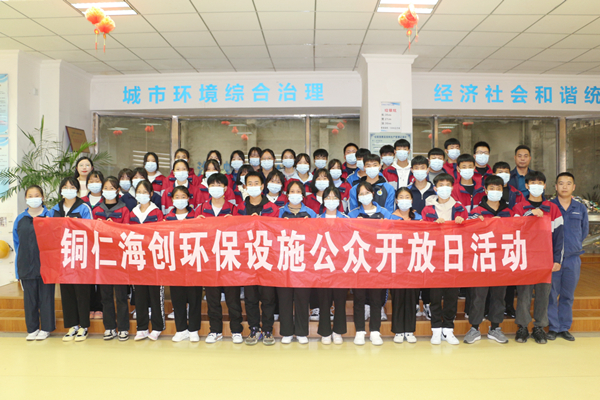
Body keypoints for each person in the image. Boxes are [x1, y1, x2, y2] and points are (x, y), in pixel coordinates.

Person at [512, 171, 563, 344]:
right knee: (524, 294)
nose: (536, 186)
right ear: (526, 186)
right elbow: (513, 231)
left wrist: (557, 260)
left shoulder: (553, 208)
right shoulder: (519, 208)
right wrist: (530, 215)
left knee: (543, 294)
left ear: (545, 186)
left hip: (545, 259)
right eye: (533, 183)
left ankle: (539, 327)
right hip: (525, 258)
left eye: (540, 183)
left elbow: (559, 236)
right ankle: (522, 327)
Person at [463, 175, 513, 345]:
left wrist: (503, 224)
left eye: (498, 188)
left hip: (502, 260)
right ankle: (474, 328)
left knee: (499, 295)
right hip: (482, 259)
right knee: (478, 295)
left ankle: (495, 328)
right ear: (485, 190)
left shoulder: (509, 212)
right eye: (492, 188)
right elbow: (468, 233)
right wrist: (482, 224)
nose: (495, 191)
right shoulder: (476, 211)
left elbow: (517, 231)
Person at [197, 174, 244, 344]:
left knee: (232, 298)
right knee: (212, 298)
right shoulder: (201, 209)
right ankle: (215, 330)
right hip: (209, 260)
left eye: (219, 185)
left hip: (229, 259)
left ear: (225, 188)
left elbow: (242, 233)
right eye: (212, 185)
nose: (215, 188)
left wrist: (234, 223)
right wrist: (196, 223)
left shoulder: (234, 209)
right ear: (208, 188)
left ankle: (236, 330)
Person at [422, 173, 468, 345]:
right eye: (441, 185)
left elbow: (469, 231)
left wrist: (462, 223)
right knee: (435, 296)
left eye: (448, 185)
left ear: (452, 188)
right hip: (434, 257)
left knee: (451, 295)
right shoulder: (428, 209)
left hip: (454, 256)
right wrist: (433, 226)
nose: (444, 188)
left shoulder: (460, 208)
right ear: (435, 188)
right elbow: (422, 231)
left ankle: (448, 329)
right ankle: (436, 329)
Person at [237, 171, 279, 346]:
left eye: (256, 183)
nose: (253, 186)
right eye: (250, 183)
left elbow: (277, 233)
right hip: (247, 259)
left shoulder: (272, 208)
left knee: (268, 297)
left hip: (267, 258)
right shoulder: (239, 208)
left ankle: (267, 329)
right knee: (250, 298)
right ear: (245, 187)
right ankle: (254, 328)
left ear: (262, 186)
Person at [348, 181, 392, 346]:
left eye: (367, 192)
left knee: (375, 298)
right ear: (357, 197)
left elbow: (393, 232)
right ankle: (360, 331)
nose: (364, 196)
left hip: (378, 261)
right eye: (361, 194)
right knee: (359, 298)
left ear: (373, 194)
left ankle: (375, 331)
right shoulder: (352, 214)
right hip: (359, 261)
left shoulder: (385, 213)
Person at [50, 177, 93, 342]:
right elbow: (50, 230)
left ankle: (84, 326)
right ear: (61, 190)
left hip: (80, 256)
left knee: (82, 292)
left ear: (77, 190)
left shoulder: (84, 207)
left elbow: (91, 230)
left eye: (72, 186)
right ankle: (72, 325)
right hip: (63, 256)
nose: (68, 189)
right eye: (65, 187)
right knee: (66, 291)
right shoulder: (55, 209)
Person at [548, 172, 588, 341]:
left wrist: (573, 245)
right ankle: (553, 327)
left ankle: (564, 327)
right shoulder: (549, 207)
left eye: (568, 183)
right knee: (551, 295)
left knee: (567, 295)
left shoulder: (580, 208)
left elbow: (584, 231)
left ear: (574, 187)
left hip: (572, 259)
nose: (564, 186)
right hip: (552, 260)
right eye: (561, 183)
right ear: (555, 186)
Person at [91, 176, 131, 341]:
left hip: (119, 258)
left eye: (112, 188)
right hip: (103, 258)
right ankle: (109, 327)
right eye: (106, 188)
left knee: (121, 295)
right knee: (105, 295)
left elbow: (127, 232)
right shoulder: (96, 210)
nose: (108, 191)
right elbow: (91, 231)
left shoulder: (124, 210)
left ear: (118, 190)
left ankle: (123, 328)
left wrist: (113, 227)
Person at [277, 180, 317, 344]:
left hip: (303, 260)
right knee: (285, 297)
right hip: (284, 259)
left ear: (303, 195)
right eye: (292, 191)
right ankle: (286, 332)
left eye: (298, 191)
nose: (295, 194)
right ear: (287, 194)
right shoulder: (279, 212)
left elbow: (316, 236)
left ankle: (301, 332)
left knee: (302, 297)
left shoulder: (311, 213)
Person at [13, 185, 54, 341]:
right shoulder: (20, 219)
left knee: (46, 297)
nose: (33, 198)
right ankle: (32, 328)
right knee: (29, 299)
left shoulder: (50, 216)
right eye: (30, 196)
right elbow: (17, 244)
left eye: (37, 195)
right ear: (26, 198)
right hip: (26, 264)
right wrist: (17, 270)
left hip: (46, 265)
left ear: (42, 197)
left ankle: (46, 328)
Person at [164, 186, 203, 343]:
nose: (180, 200)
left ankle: (193, 329)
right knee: (177, 298)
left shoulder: (196, 216)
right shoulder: (167, 219)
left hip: (193, 261)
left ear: (188, 198)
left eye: (183, 196)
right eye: (177, 197)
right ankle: (181, 329)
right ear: (172, 199)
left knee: (194, 298)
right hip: (175, 263)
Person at [130, 180, 166, 341]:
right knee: (140, 295)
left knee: (155, 294)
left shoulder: (157, 212)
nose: (142, 195)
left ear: (151, 194)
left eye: (145, 192)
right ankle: (142, 327)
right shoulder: (132, 212)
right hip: (137, 258)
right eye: (139, 192)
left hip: (154, 260)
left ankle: (157, 327)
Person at [316, 187, 349, 345]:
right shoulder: (316, 220)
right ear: (323, 201)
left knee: (340, 300)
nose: (331, 200)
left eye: (334, 197)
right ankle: (325, 331)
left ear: (339, 200)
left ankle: (338, 331)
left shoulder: (346, 219)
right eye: (327, 197)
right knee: (324, 301)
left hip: (341, 267)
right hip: (323, 266)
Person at [390, 187, 421, 344]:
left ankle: (409, 330)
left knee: (411, 297)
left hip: (414, 262)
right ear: (396, 200)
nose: (404, 200)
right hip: (396, 263)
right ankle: (398, 330)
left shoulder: (418, 218)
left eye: (407, 197)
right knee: (398, 297)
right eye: (400, 197)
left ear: (412, 200)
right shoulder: (389, 217)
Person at [493, 161, 524, 317]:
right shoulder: (489, 193)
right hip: (492, 239)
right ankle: (492, 307)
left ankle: (509, 306)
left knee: (510, 272)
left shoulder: (516, 194)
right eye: (500, 171)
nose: (503, 174)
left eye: (506, 171)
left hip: (510, 237)